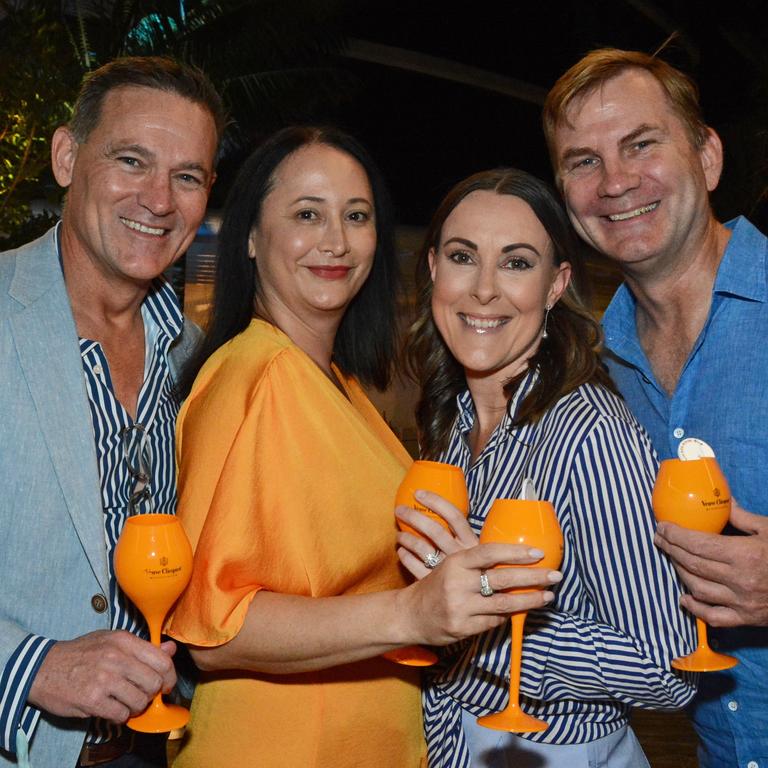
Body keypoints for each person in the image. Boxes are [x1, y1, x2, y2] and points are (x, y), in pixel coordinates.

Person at [163, 126, 560, 768]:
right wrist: (410, 614)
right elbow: (218, 628)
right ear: (252, 239)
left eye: (357, 216)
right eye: (307, 214)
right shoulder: (259, 374)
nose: (336, 241)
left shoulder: (337, 384)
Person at [398, 168, 695, 768]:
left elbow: (667, 666)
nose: (483, 290)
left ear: (556, 285)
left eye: (516, 263)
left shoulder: (587, 431)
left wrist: (487, 620)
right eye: (463, 257)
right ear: (433, 268)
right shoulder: (450, 420)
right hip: (452, 738)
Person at [544, 47, 768, 767]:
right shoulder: (593, 367)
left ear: (707, 157)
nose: (615, 182)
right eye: (583, 161)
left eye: (641, 145)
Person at [0, 57, 223, 767]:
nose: (159, 200)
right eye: (133, 161)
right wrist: (31, 667)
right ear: (68, 156)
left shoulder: (196, 360)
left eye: (186, 176)